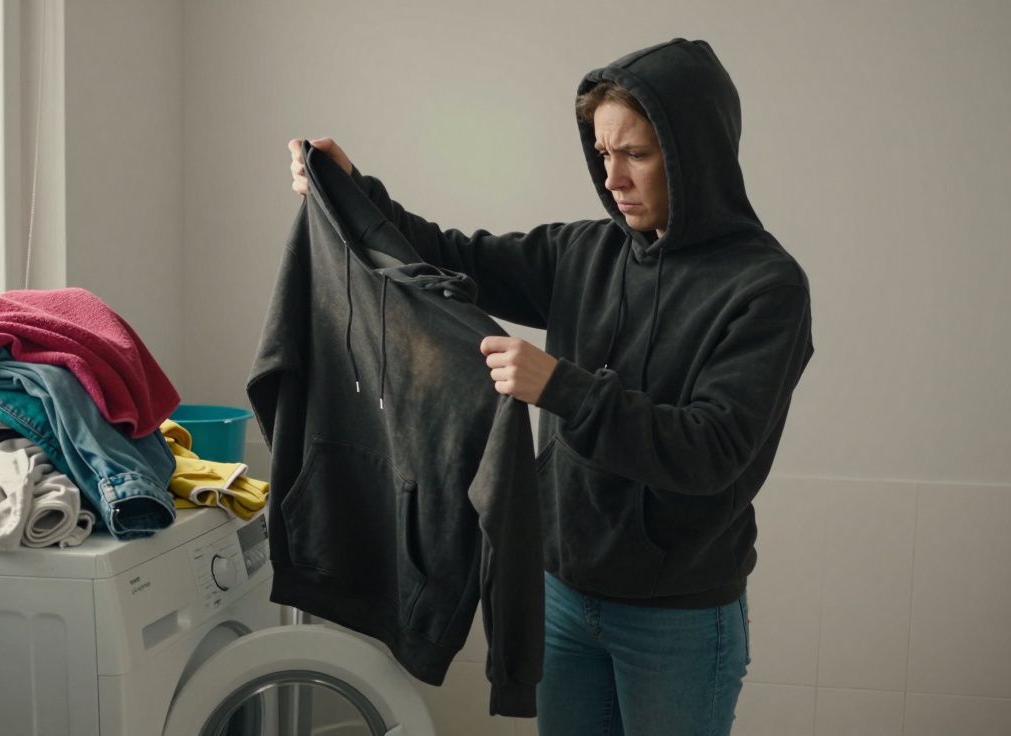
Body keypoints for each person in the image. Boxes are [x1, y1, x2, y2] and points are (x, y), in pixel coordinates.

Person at [287, 38, 812, 736]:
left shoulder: (766, 287)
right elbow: (449, 256)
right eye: (603, 154)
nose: (614, 177)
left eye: (637, 154)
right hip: (562, 595)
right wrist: (355, 193)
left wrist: (564, 388)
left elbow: (713, 451)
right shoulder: (584, 252)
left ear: (696, 155)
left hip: (679, 617)